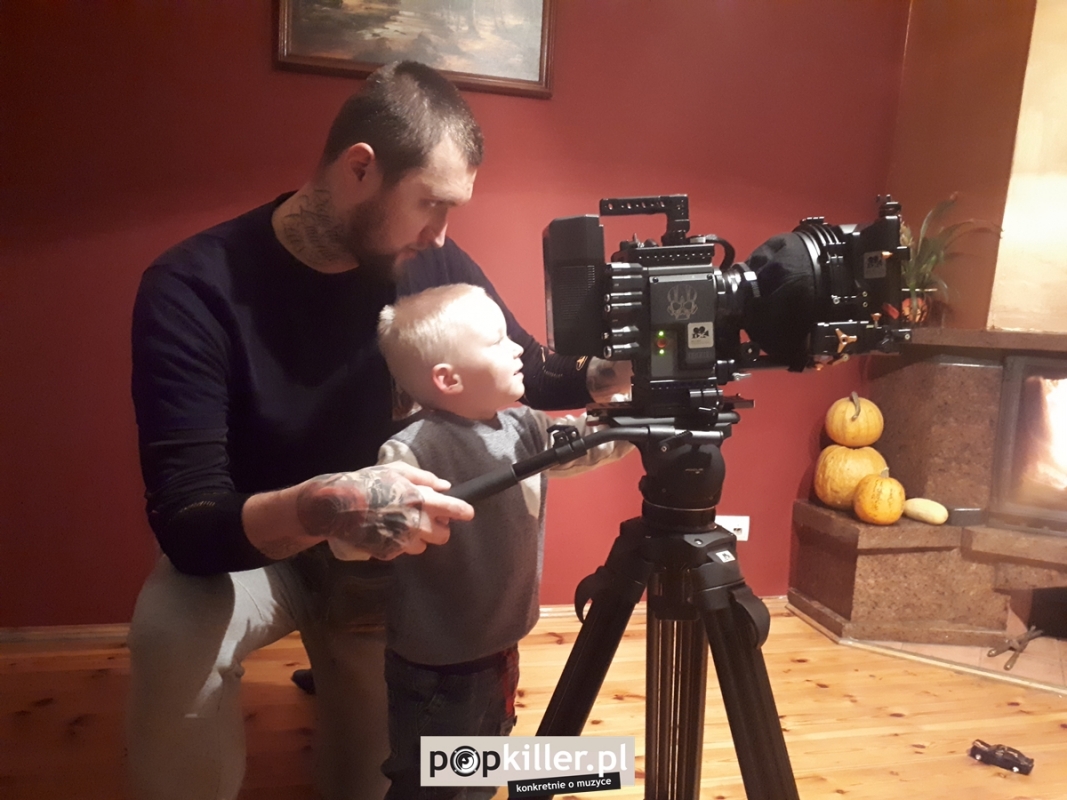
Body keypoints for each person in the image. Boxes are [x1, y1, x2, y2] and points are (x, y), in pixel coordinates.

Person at [127, 60, 630, 800]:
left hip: (381, 563)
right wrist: (323, 506)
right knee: (171, 634)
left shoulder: (429, 259)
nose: (441, 234)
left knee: (380, 781)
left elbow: (529, 367)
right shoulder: (192, 288)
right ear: (360, 169)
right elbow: (189, 520)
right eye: (431, 203)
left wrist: (610, 373)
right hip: (257, 546)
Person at [332, 283, 632, 799]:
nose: (518, 349)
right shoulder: (412, 450)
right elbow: (360, 527)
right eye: (498, 341)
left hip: (498, 646)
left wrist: (634, 413)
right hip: (438, 666)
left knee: (482, 765)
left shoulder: (523, 425)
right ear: (447, 379)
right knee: (431, 784)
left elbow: (586, 443)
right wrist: (366, 514)